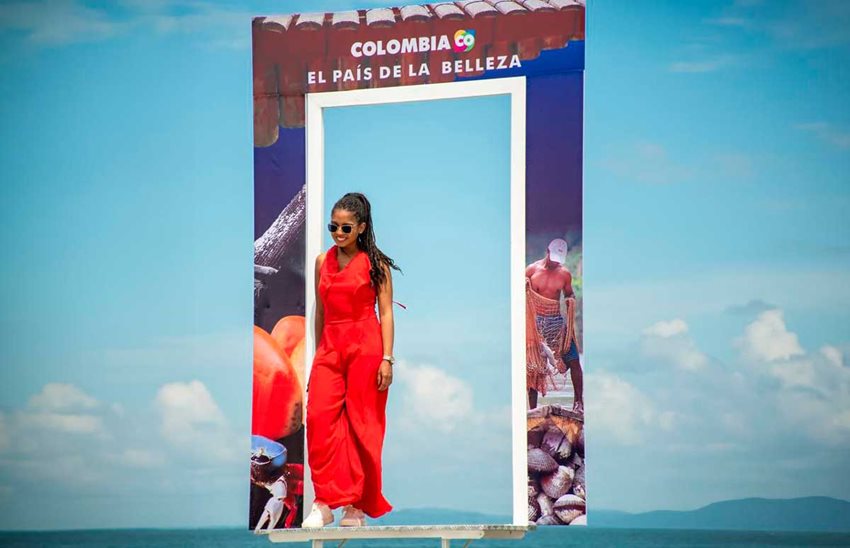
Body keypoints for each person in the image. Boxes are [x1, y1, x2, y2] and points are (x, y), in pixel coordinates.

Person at [301, 192, 400, 528]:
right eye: (333, 226)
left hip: (366, 346)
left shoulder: (377, 265)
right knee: (318, 420)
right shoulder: (321, 262)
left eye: (345, 227)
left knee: (363, 426)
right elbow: (320, 311)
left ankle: (355, 506)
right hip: (330, 347)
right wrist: (316, 358)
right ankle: (326, 500)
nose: (339, 233)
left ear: (360, 227)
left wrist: (387, 358)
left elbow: (386, 314)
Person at [525, 238, 584, 414]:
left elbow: (569, 293)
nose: (555, 262)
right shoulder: (531, 270)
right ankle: (533, 410)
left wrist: (570, 300)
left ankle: (579, 403)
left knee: (574, 360)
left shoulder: (564, 274)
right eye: (553, 257)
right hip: (535, 324)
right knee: (534, 366)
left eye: (559, 259)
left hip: (556, 322)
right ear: (547, 251)